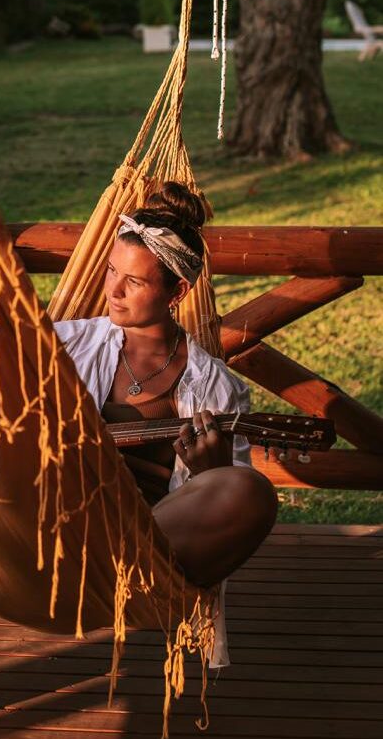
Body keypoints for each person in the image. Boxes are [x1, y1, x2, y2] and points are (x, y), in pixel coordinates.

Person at [54, 182, 278, 601]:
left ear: (177, 292)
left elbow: (219, 507)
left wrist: (211, 473)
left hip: (150, 544)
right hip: (58, 519)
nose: (113, 291)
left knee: (249, 491)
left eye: (134, 281)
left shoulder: (216, 387)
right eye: (111, 270)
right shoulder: (62, 344)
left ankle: (122, 581)